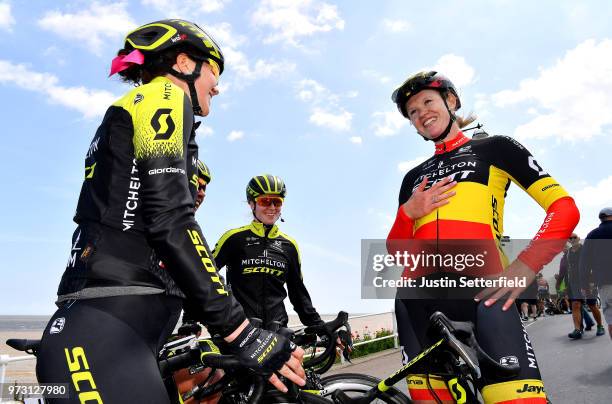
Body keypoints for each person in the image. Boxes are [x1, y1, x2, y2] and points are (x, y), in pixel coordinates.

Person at [36, 20, 304, 403]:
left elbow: (165, 241)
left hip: (109, 325)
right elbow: (173, 224)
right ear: (183, 62)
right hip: (108, 329)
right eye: (215, 71)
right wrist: (242, 332)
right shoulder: (164, 95)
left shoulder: (141, 107)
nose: (219, 84)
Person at [387, 71, 579, 403]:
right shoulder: (413, 178)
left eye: (427, 102)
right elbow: (397, 252)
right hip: (416, 302)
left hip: (484, 293)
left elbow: (564, 209)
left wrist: (526, 264)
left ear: (450, 101)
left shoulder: (495, 149)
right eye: (413, 113)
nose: (421, 114)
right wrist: (408, 214)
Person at [211, 175, 324, 330]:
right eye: (265, 201)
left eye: (277, 202)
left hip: (277, 330)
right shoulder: (233, 239)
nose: (272, 207)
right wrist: (190, 321)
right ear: (252, 203)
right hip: (239, 330)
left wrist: (319, 326)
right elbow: (203, 277)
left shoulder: (290, 246)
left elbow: (298, 293)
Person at [562, 234, 604, 339]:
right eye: (570, 238)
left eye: (574, 237)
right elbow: (568, 270)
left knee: (591, 305)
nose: (572, 239)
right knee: (575, 304)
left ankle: (600, 326)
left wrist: (593, 281)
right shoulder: (567, 253)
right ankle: (577, 329)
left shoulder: (586, 250)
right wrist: (567, 287)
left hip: (588, 281)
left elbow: (595, 265)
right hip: (574, 283)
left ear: (579, 238)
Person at [580, 207, 612, 339]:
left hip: (605, 283)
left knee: (611, 318)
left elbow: (584, 263)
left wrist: (584, 285)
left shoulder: (592, 235)